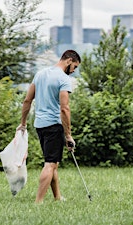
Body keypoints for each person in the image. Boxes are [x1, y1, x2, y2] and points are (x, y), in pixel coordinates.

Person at [17, 50, 81, 203]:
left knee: (53, 162)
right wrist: (68, 135)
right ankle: (38, 202)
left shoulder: (40, 74)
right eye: (74, 67)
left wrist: (23, 123)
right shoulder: (64, 79)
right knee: (50, 164)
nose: (73, 71)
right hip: (53, 125)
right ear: (69, 60)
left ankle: (57, 197)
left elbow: (27, 100)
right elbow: (64, 109)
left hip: (40, 125)